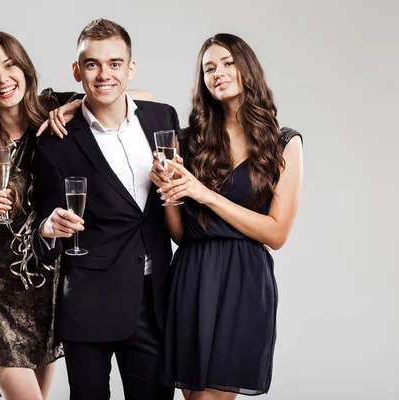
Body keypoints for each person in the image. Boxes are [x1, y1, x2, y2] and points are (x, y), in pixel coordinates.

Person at [152, 34, 304, 399]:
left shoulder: (284, 143)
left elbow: (277, 234)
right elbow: (179, 234)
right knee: (194, 396)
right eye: (208, 68)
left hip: (245, 279)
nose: (218, 73)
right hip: (192, 272)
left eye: (227, 63)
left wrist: (203, 194)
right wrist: (169, 191)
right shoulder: (185, 141)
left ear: (247, 68)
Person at [31, 18, 177, 400]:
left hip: (154, 301)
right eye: (92, 64)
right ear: (77, 71)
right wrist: (49, 227)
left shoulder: (163, 118)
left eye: (115, 63)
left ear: (130, 68)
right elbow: (41, 222)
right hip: (87, 303)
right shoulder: (55, 141)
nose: (103, 74)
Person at [0, 31, 82, 400]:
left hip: (44, 289)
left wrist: (74, 106)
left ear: (24, 67)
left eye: (9, 66)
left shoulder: (53, 112)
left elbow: (137, 100)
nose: (3, 79)